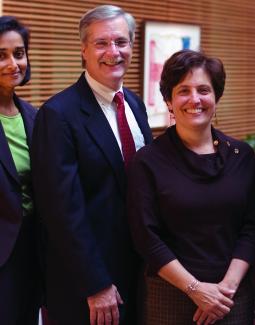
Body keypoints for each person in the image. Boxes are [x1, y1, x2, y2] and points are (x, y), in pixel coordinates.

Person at [31, 5, 152, 325]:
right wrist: (96, 284)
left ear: (132, 45)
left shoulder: (135, 105)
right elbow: (61, 212)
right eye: (101, 43)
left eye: (121, 42)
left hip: (137, 271)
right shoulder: (59, 115)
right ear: (83, 50)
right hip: (87, 285)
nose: (113, 52)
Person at [128, 49, 255, 325]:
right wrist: (196, 289)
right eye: (183, 91)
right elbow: (146, 237)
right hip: (170, 295)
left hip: (231, 297)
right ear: (169, 101)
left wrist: (226, 288)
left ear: (216, 97)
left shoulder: (242, 155)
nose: (194, 99)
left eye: (203, 90)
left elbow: (253, 227)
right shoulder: (148, 161)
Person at [0, 16, 41, 324]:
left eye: (18, 53)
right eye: (1, 55)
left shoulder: (34, 116)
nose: (13, 63)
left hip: (32, 247)